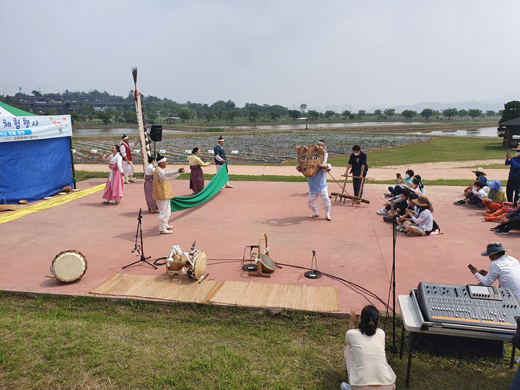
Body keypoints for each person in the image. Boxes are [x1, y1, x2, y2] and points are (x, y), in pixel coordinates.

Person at [341, 305, 396, 390]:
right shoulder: (381, 333)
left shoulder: (352, 334)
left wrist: (352, 321)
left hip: (359, 386)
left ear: (360, 319)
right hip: (388, 385)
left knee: (348, 348)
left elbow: (350, 342)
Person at [296, 142, 332, 221]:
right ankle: (315, 213)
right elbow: (300, 169)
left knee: (326, 201)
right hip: (312, 187)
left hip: (322, 186)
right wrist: (299, 167)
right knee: (311, 202)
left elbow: (329, 166)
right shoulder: (307, 167)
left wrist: (321, 165)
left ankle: (327, 214)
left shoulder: (321, 167)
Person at [152, 154, 185, 234]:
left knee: (166, 210)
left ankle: (165, 225)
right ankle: (162, 229)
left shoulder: (158, 171)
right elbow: (167, 175)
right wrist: (177, 171)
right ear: (161, 163)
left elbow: (167, 174)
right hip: (162, 195)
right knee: (164, 211)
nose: (166, 163)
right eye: (165, 162)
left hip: (162, 195)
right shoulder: (160, 172)